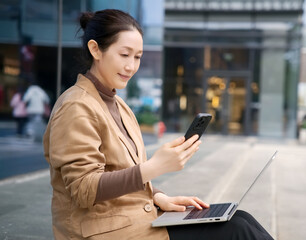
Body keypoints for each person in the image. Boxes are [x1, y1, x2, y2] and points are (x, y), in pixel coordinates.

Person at [43, 9, 273, 240]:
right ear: (95, 50)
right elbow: (84, 189)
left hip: (132, 220)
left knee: (240, 217)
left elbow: (122, 174)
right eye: (125, 54)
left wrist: (158, 196)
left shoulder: (118, 105)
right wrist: (156, 166)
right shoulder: (76, 107)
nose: (131, 66)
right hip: (103, 232)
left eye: (138, 57)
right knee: (237, 231)